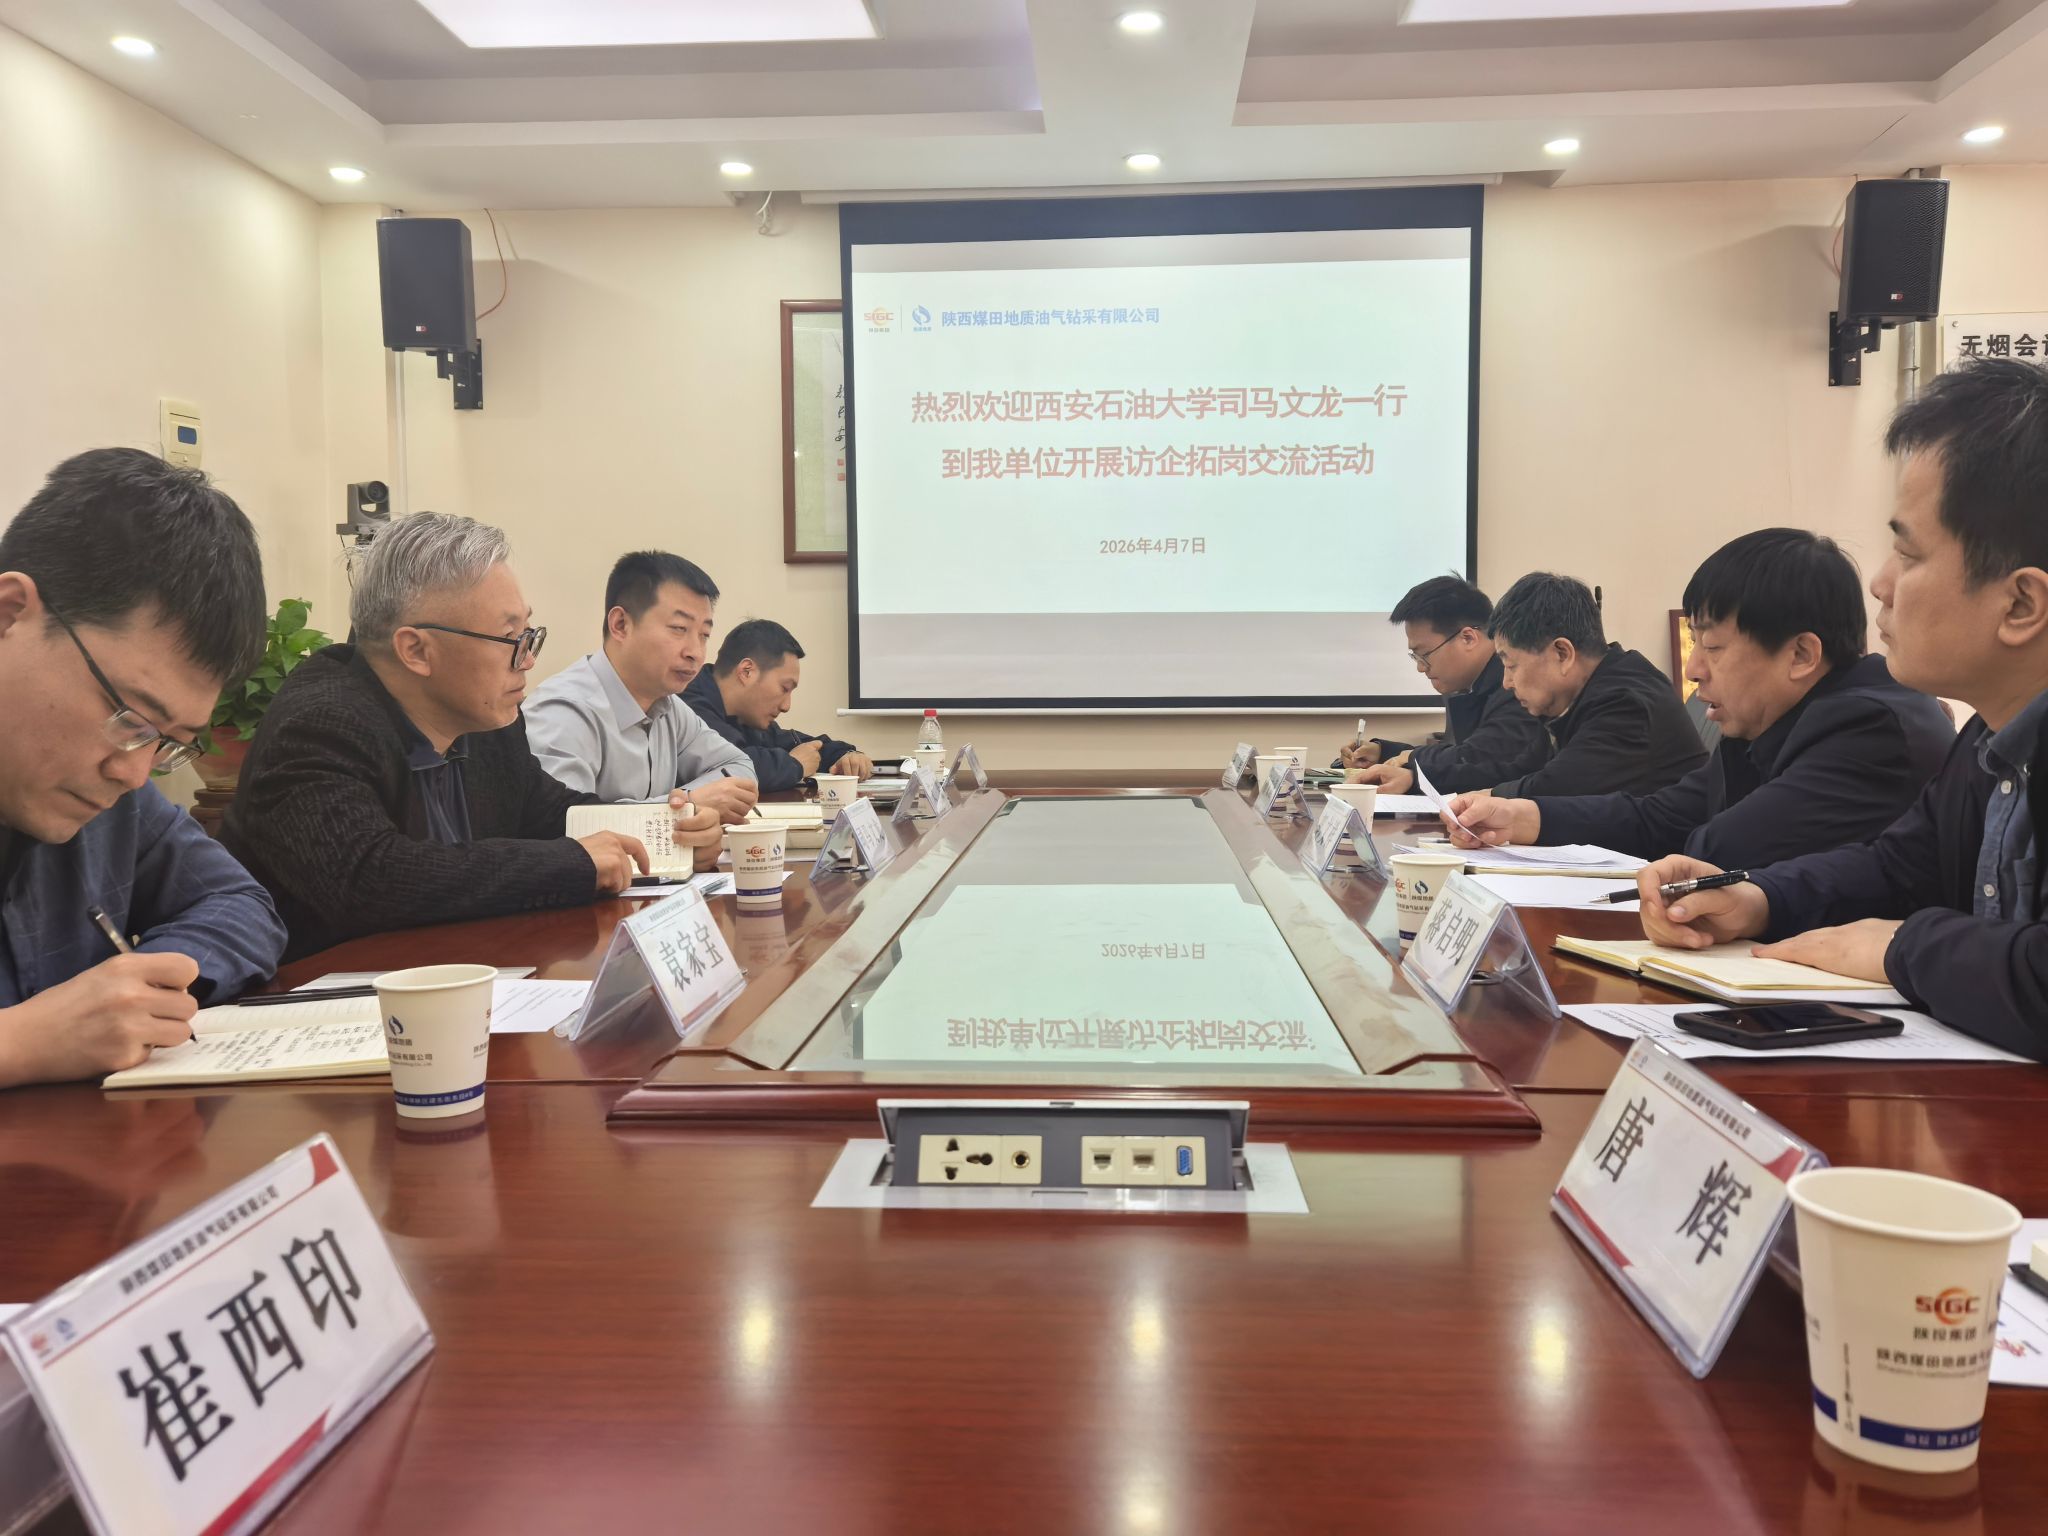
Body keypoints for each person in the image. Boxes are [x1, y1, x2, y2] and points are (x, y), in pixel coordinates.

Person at [1638, 359, 2048, 1060]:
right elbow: (1896, 866)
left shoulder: (1877, 721)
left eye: (1908, 554)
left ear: (2019, 604)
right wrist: (1758, 899)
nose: (1881, 584)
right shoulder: (1990, 736)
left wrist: (1902, 946)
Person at [223, 514, 720, 961]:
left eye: (530, 634)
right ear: (417, 650)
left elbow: (548, 812)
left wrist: (666, 835)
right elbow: (370, 877)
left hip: (463, 973)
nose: (529, 659)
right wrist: (571, 864)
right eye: (511, 639)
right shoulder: (321, 723)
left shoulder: (486, 721)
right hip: (331, 1001)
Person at [0, 448, 286, 1087]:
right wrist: (22, 1040)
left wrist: (141, 990)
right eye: (129, 716)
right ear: (10, 614)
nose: (133, 774)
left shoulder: (113, 801)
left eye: (167, 741)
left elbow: (240, 904)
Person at [1443, 530, 1953, 867]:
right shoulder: (1770, 720)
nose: (1691, 670)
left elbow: (1723, 845)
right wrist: (1526, 817)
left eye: (1712, 647)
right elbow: (1659, 817)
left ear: (1800, 654)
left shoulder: (1870, 728)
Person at [525, 551, 758, 821]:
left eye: (704, 635)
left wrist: (685, 804)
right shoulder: (564, 711)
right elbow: (567, 824)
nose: (696, 652)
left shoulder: (669, 707)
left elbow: (739, 767)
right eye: (679, 628)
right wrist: (685, 808)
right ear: (621, 625)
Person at [1477, 571, 1707, 797]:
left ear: (1562, 654)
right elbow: (1522, 770)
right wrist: (1473, 796)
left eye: (1511, 665)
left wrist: (1484, 799)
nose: (1506, 683)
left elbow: (1554, 789)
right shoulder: (1570, 701)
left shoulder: (1627, 705)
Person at [1344, 575, 1548, 794]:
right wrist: (1385, 752)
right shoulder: (1468, 685)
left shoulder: (1514, 685)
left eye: (1424, 654)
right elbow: (1460, 754)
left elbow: (1482, 760)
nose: (1420, 667)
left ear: (1468, 638)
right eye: (1415, 657)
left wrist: (1411, 759)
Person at [683, 620, 875, 792]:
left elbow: (793, 744)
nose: (786, 706)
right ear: (747, 671)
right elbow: (730, 765)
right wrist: (795, 765)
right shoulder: (687, 705)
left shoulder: (744, 715)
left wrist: (845, 756)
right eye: (785, 688)